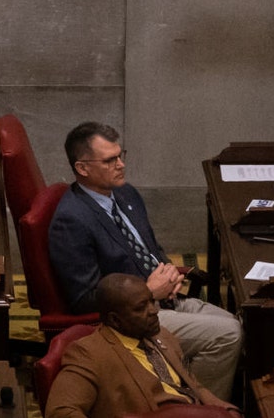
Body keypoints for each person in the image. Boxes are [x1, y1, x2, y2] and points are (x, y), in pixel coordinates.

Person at [48, 122, 242, 400]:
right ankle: (196, 408)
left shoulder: (126, 194)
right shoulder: (71, 220)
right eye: (110, 160)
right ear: (82, 168)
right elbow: (82, 298)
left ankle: (194, 391)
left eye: (120, 155)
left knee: (243, 324)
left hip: (166, 299)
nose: (121, 165)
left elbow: (151, 249)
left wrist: (169, 273)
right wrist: (148, 291)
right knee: (227, 335)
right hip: (131, 317)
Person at [46, 273, 241, 417]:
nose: (153, 311)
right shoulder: (88, 353)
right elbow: (61, 412)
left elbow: (192, 386)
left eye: (151, 301)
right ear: (115, 320)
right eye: (141, 308)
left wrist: (223, 408)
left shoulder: (161, 335)